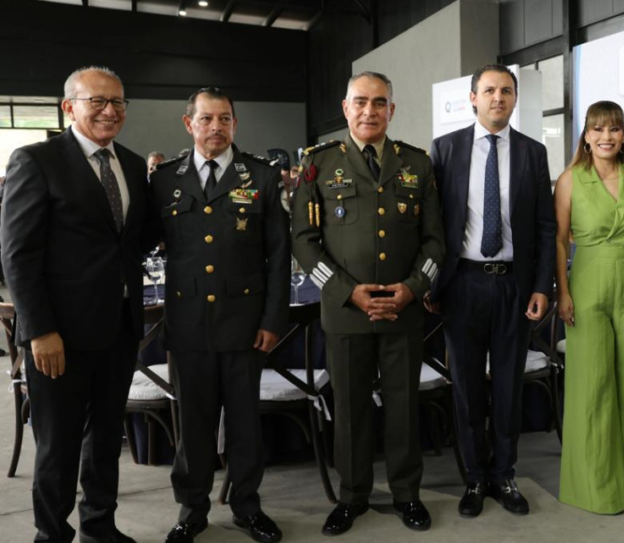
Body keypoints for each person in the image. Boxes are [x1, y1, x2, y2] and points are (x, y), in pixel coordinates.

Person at [0, 66, 155, 543]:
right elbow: (18, 255)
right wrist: (39, 330)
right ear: (69, 106)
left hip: (119, 328)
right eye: (97, 101)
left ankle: (99, 527)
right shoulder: (37, 160)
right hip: (59, 336)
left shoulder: (132, 165)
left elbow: (134, 240)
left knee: (106, 438)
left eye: (118, 101)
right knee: (58, 446)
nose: (110, 111)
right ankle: (51, 535)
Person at [291, 71, 444, 535]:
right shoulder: (319, 163)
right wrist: (346, 292)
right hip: (346, 312)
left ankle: (407, 494)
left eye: (379, 103)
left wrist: (413, 288)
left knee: (403, 408)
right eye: (360, 101)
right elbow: (304, 242)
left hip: (403, 309)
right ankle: (352, 496)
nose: (369, 111)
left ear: (391, 110)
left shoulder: (416, 163)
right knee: (350, 410)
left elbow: (435, 241)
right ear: (345, 108)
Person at [149, 87, 289, 543]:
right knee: (193, 425)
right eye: (206, 119)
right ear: (188, 123)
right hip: (188, 324)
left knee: (245, 424)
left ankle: (248, 507)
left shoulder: (262, 176)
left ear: (235, 124)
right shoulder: (164, 180)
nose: (216, 127)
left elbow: (279, 255)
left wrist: (272, 320)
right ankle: (192, 510)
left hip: (245, 325)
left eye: (224, 119)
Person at [428, 64, 556, 518]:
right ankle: (475, 479)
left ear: (515, 98)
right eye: (489, 90)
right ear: (473, 98)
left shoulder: (533, 153)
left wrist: (542, 286)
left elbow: (545, 227)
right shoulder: (445, 149)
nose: (498, 97)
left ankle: (504, 474)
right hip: (462, 284)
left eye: (506, 90)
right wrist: (431, 280)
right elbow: (432, 224)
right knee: (466, 388)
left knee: (507, 388)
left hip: (513, 286)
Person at [554, 101, 624, 514]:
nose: (606, 136)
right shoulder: (570, 180)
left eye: (614, 129)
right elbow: (560, 240)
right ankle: (596, 485)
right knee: (593, 386)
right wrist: (563, 293)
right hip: (587, 285)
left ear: (623, 137)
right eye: (598, 129)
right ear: (586, 136)